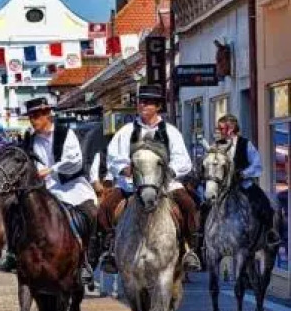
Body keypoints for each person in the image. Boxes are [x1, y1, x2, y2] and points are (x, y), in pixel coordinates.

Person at [99, 84, 202, 273]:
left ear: (158, 106)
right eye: (141, 101)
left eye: (147, 102)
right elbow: (113, 157)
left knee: (188, 205)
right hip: (131, 185)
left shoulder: (170, 132)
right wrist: (124, 168)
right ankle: (111, 248)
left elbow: (183, 160)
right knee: (105, 208)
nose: (142, 105)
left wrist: (170, 171)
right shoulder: (126, 131)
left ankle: (189, 249)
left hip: (166, 186)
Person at [18, 97, 98, 284]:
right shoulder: (30, 139)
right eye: (31, 116)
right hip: (42, 189)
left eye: (36, 116)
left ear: (47, 114)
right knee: (17, 211)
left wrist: (51, 170)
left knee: (92, 213)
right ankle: (17, 255)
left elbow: (74, 161)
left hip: (71, 186)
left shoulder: (65, 133)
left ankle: (86, 258)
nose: (33, 120)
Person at [213, 114, 280, 246]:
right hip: (222, 188)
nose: (219, 131)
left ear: (231, 128)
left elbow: (257, 164)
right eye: (218, 129)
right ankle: (201, 239)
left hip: (244, 185)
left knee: (264, 203)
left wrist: (244, 173)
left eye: (221, 129)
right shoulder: (217, 146)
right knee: (205, 206)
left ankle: (270, 233)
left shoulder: (245, 144)